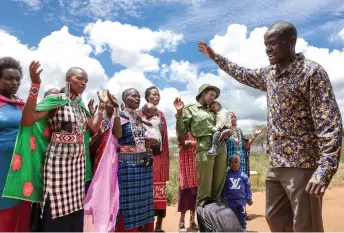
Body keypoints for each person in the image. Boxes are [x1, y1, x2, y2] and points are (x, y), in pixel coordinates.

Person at [198, 21, 343, 232]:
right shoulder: (270, 74)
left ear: (291, 42)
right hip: (276, 164)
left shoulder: (311, 72)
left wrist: (325, 168)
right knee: (274, 218)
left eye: (273, 44)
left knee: (306, 225)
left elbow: (329, 122)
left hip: (302, 164)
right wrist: (215, 56)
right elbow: (243, 73)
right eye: (266, 44)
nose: (267, 49)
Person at [2, 62, 108, 232]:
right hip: (58, 163)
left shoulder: (80, 106)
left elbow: (94, 128)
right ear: (68, 79)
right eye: (79, 78)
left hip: (78, 164)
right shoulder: (56, 99)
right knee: (56, 207)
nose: (83, 83)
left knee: (75, 207)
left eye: (86, 80)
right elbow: (28, 120)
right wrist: (35, 85)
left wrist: (102, 106)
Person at [174, 84, 231, 206]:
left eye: (214, 96)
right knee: (205, 186)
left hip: (221, 145)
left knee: (219, 183)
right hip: (205, 146)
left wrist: (228, 131)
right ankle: (203, 218)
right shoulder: (190, 109)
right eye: (211, 94)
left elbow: (226, 122)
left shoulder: (215, 108)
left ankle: (216, 217)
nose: (213, 98)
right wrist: (179, 114)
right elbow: (182, 131)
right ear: (203, 93)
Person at [111, 88, 156, 232]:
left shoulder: (138, 117)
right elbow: (117, 134)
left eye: (139, 96)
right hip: (128, 164)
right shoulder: (120, 115)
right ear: (125, 99)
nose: (138, 98)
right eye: (134, 96)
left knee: (144, 200)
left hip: (143, 165)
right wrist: (117, 110)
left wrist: (148, 143)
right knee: (129, 202)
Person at [0, 57, 31, 232]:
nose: (15, 83)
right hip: (1, 168)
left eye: (18, 79)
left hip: (21, 168)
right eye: (9, 78)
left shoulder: (22, 106)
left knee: (20, 212)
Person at [143, 86, 170, 232]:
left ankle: (158, 226)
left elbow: (164, 140)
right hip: (145, 157)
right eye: (154, 95)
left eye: (158, 95)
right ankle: (146, 225)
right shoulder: (140, 113)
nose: (157, 97)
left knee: (160, 192)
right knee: (146, 191)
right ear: (147, 97)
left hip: (158, 158)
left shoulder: (162, 116)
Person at [221, 154, 253, 231]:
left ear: (239, 163)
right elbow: (224, 188)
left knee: (242, 216)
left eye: (235, 162)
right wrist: (224, 198)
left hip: (241, 202)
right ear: (228, 165)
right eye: (231, 163)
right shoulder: (227, 175)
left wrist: (249, 198)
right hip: (230, 202)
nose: (233, 164)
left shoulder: (243, 176)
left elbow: (248, 187)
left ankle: (243, 229)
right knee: (231, 217)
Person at [177, 131, 199, 232]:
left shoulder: (197, 130)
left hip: (195, 167)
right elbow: (183, 144)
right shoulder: (182, 129)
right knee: (184, 195)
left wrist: (190, 143)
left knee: (195, 195)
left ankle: (192, 221)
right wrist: (193, 143)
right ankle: (181, 222)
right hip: (185, 168)